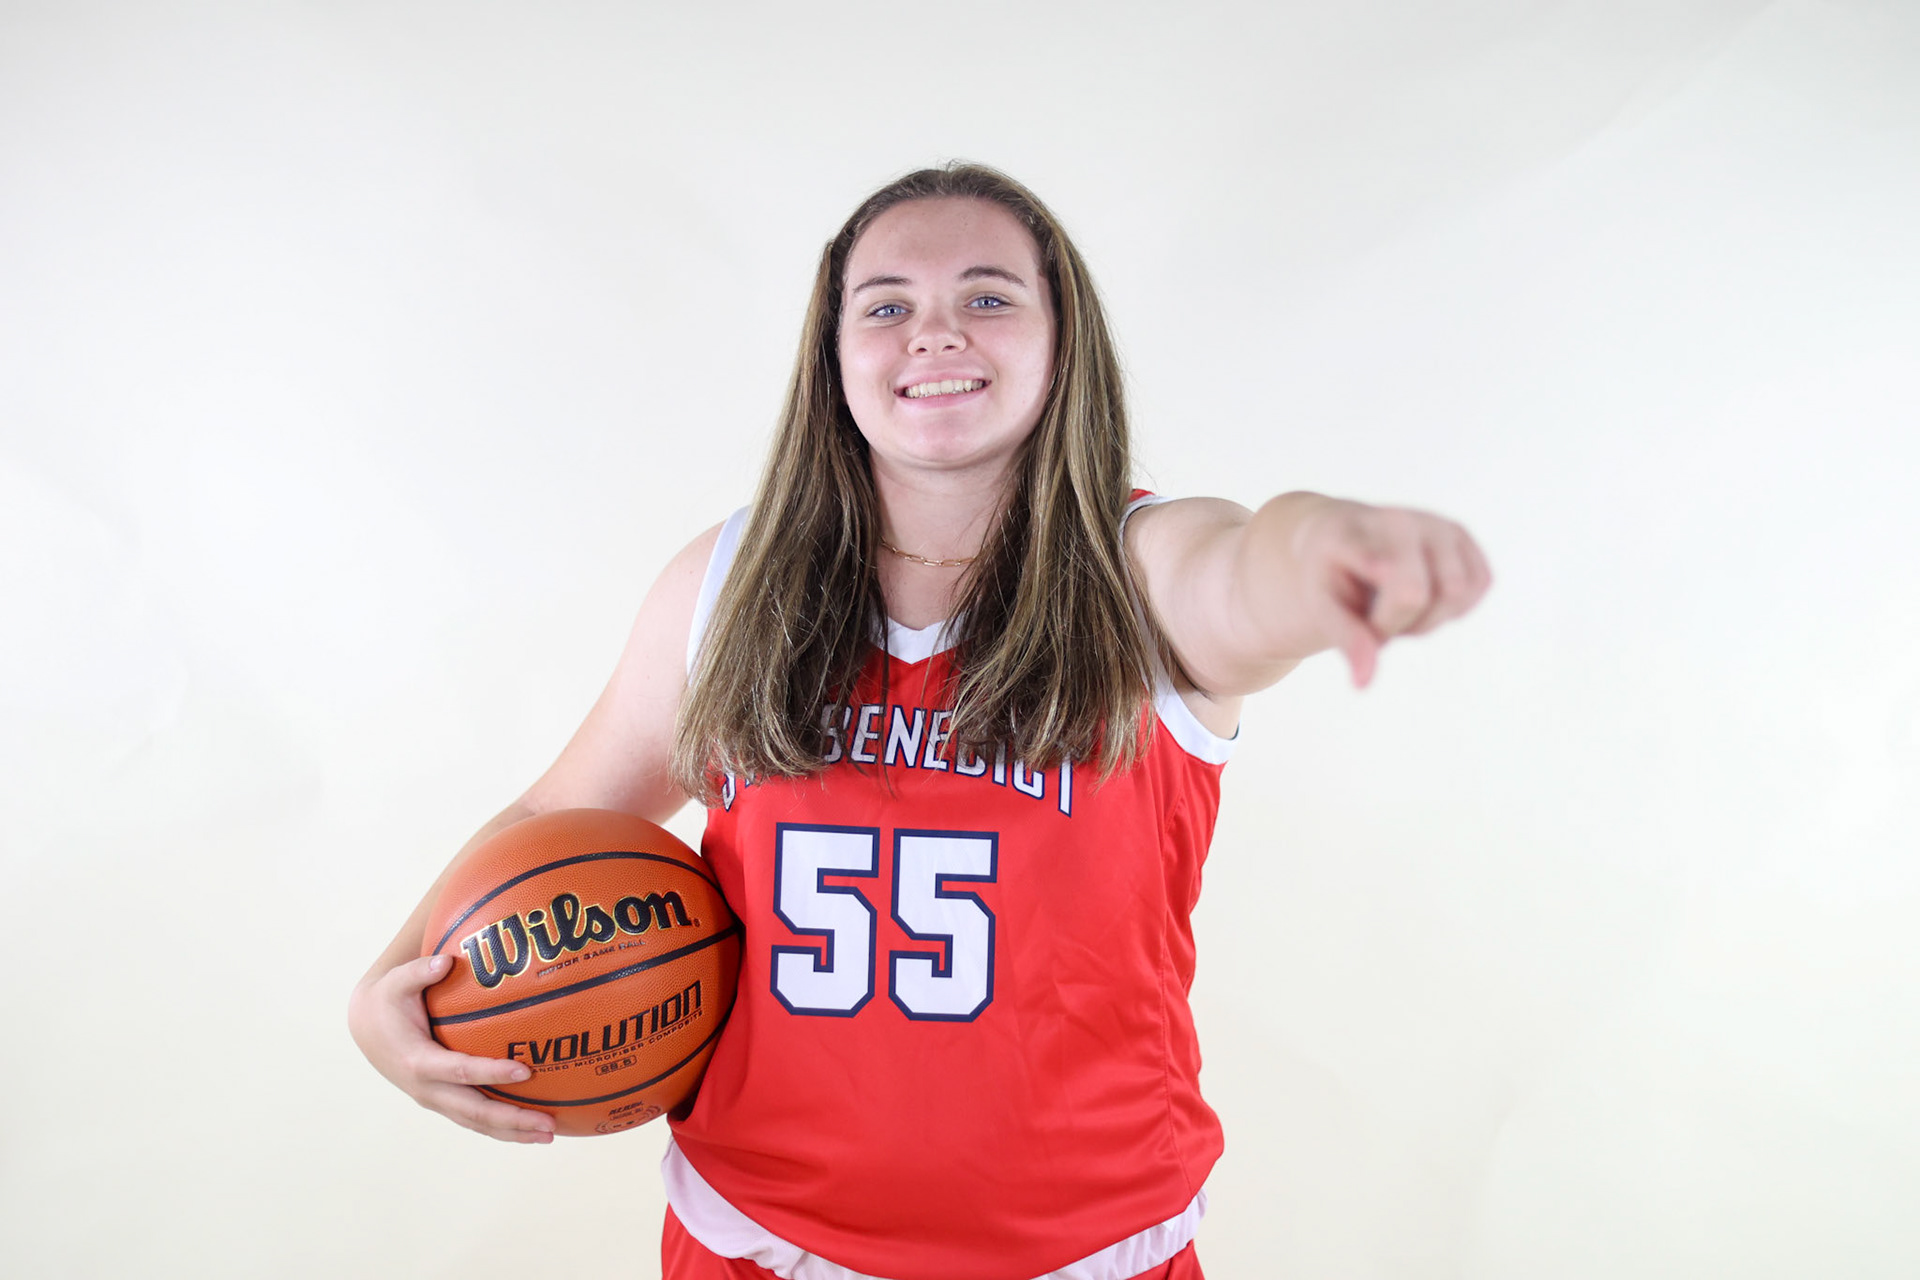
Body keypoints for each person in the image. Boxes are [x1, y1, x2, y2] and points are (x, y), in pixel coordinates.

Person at [348, 163, 1491, 1280]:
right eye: (887, 306)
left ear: (1063, 339)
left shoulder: (1139, 567)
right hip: (759, 1237)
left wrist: (1335, 549)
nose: (935, 333)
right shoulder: (730, 581)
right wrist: (395, 980)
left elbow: (1251, 568)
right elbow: (561, 812)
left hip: (1084, 1247)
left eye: (988, 297)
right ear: (833, 354)